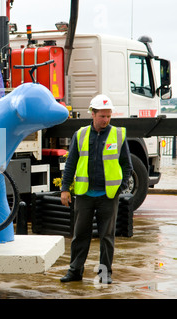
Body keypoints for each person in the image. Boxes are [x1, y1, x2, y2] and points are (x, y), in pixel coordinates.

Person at [60, 94, 132, 284]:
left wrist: (119, 189)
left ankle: (104, 274)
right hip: (84, 195)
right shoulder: (81, 134)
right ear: (92, 114)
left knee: (107, 238)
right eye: (102, 116)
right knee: (79, 236)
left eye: (108, 116)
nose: (106, 120)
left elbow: (127, 167)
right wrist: (65, 188)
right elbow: (71, 163)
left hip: (108, 196)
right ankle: (75, 272)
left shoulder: (117, 135)